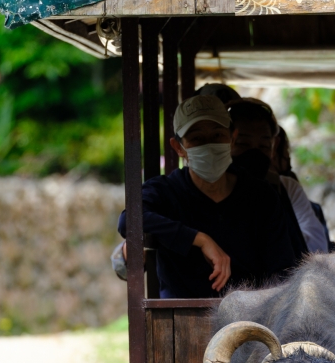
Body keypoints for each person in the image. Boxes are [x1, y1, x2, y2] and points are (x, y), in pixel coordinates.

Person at [117, 89, 308, 298]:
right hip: (178, 322)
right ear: (179, 148)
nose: (209, 145)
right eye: (197, 138)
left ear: (231, 138)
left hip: (251, 320)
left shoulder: (260, 196)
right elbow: (129, 221)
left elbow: (282, 272)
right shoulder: (165, 191)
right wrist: (200, 239)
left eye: (217, 135)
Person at [230, 97, 331, 256]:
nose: (254, 154)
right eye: (242, 144)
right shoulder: (213, 189)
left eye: (263, 146)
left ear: (274, 146)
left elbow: (318, 248)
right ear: (226, 142)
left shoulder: (285, 188)